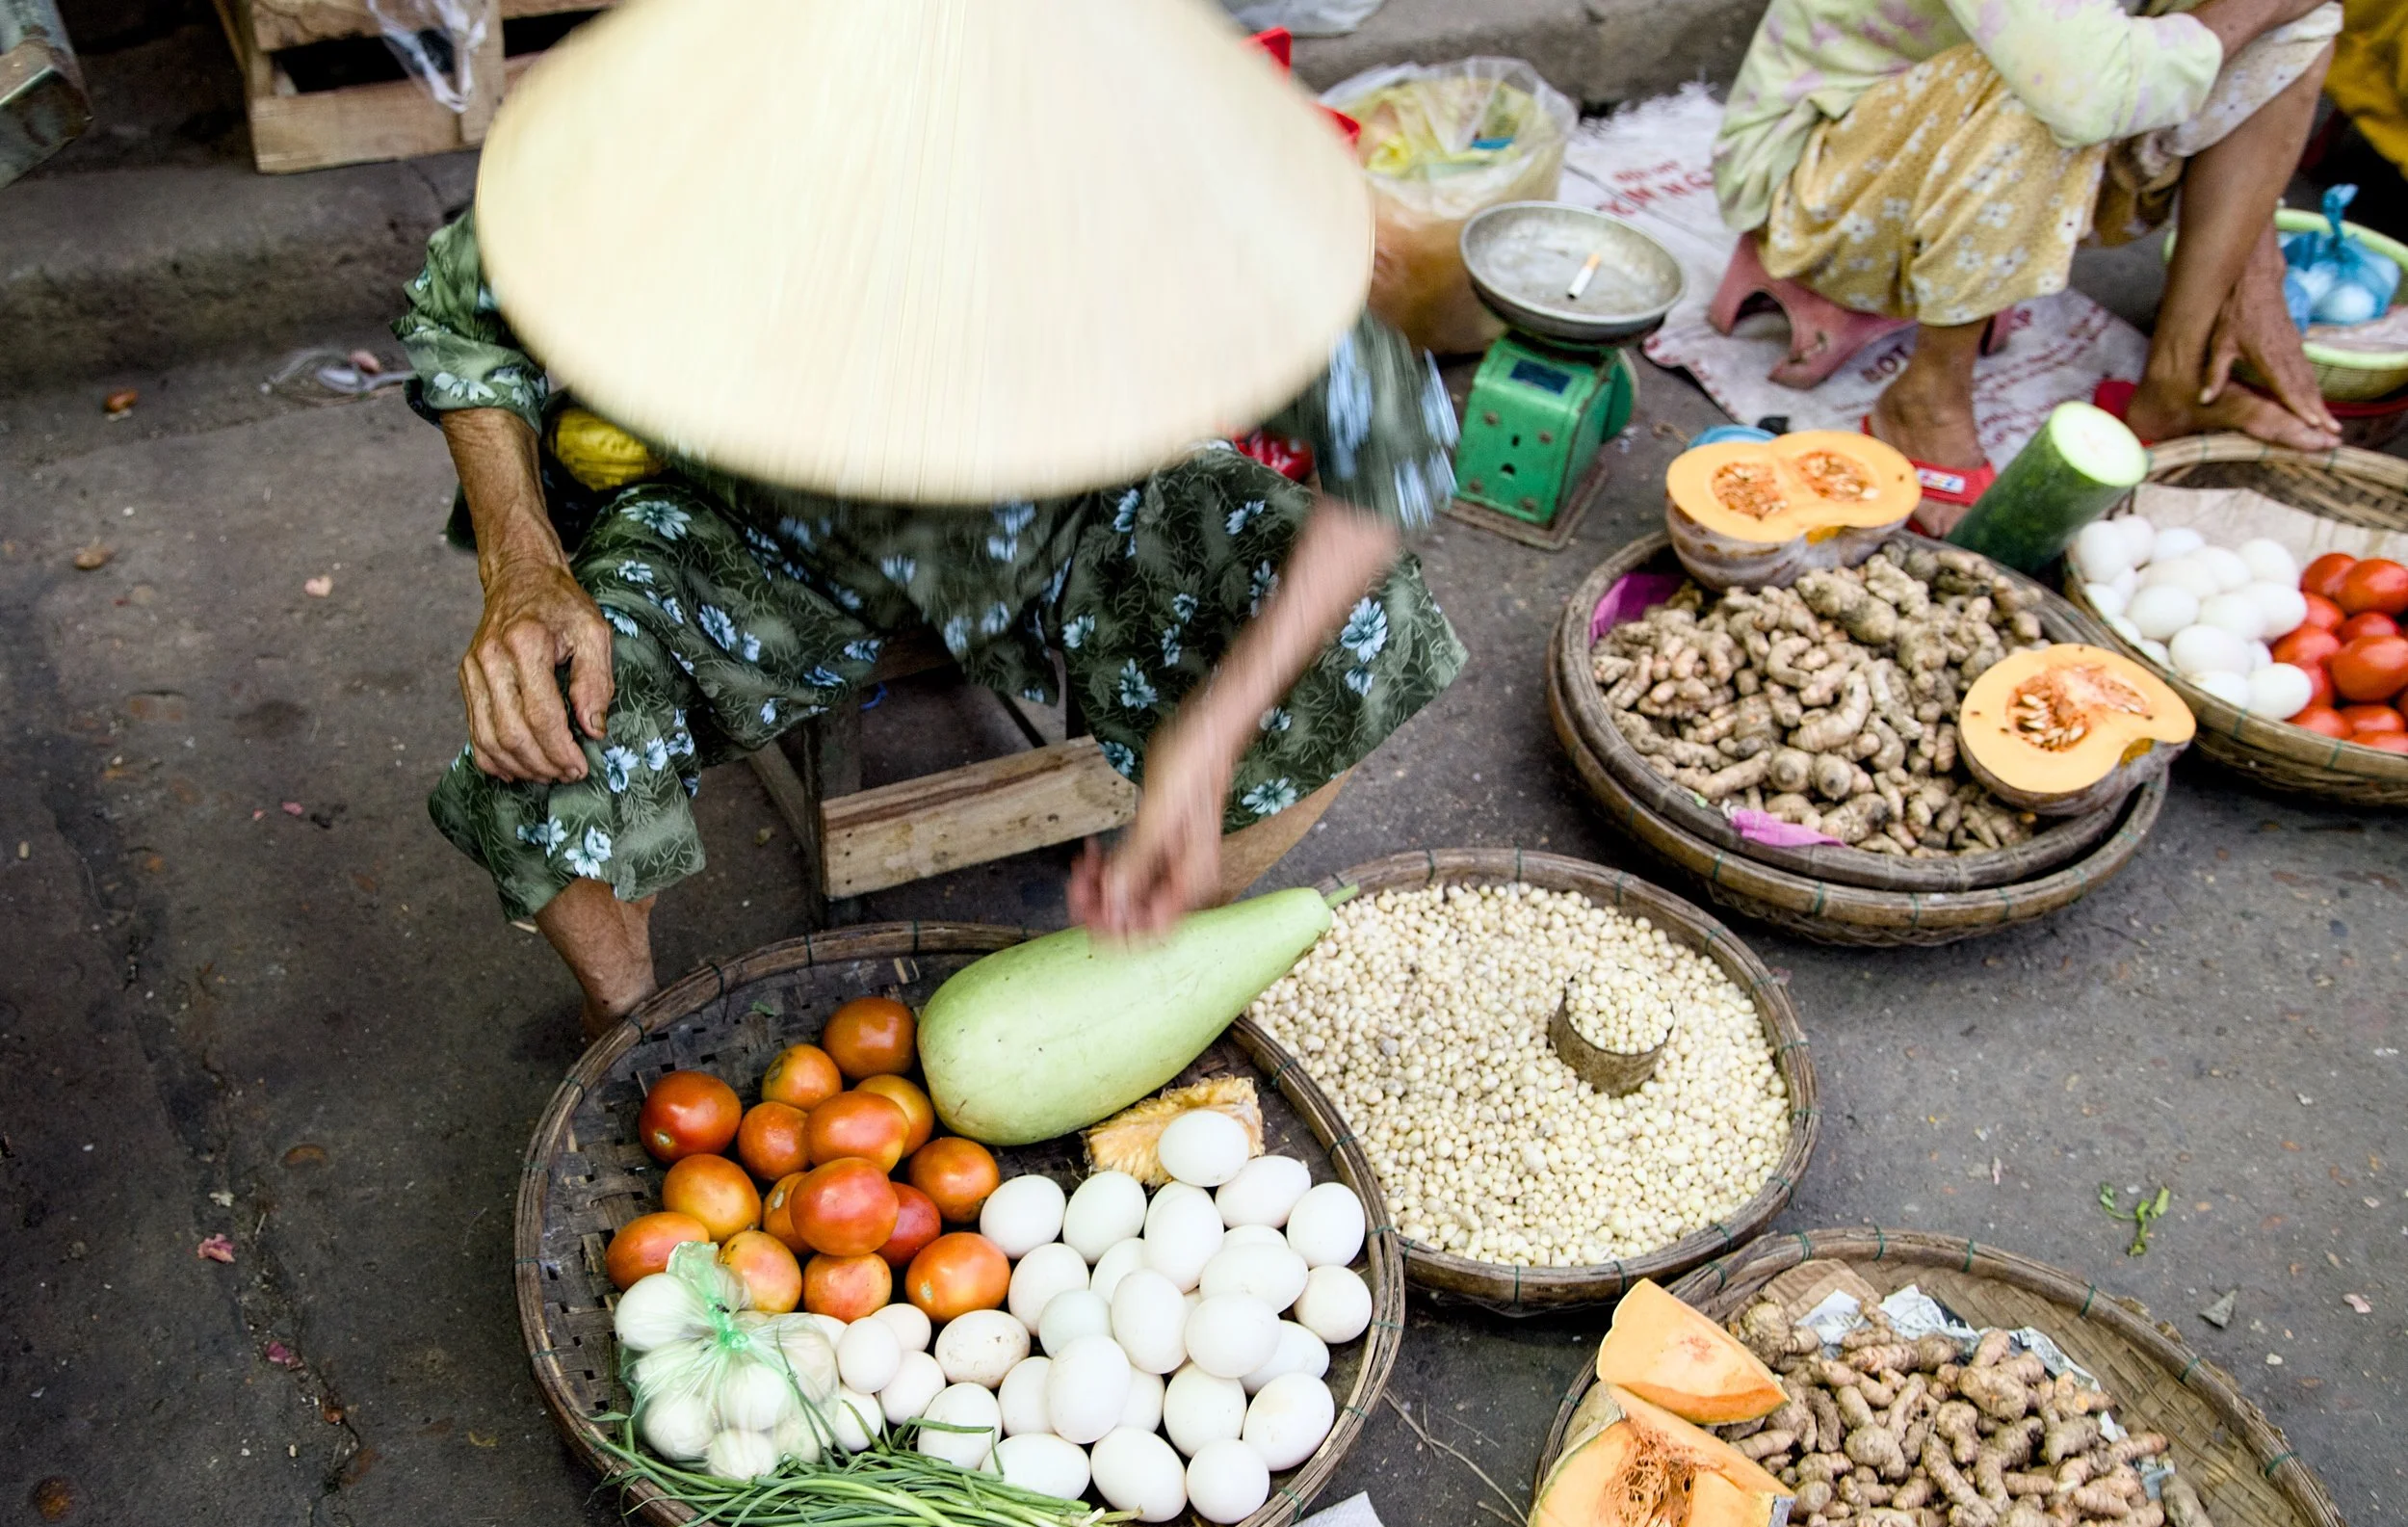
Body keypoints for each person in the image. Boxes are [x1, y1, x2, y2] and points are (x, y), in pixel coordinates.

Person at [397, 207, 1464, 1038]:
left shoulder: (1138, 158)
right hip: (755, 529)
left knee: (1361, 623)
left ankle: (1130, 991)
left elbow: (1389, 432)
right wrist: (523, 563)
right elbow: (466, 299)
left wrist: (1211, 739)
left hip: (1062, 498)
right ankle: (627, 1033)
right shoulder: (694, 126)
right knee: (545, 735)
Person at [1711, 0, 2346, 534]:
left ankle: (2173, 382)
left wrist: (2256, 261)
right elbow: (2081, 87)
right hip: (1824, 181)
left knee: (2300, 27)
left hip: (1971, 139)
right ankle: (1927, 394)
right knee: (2062, 87)